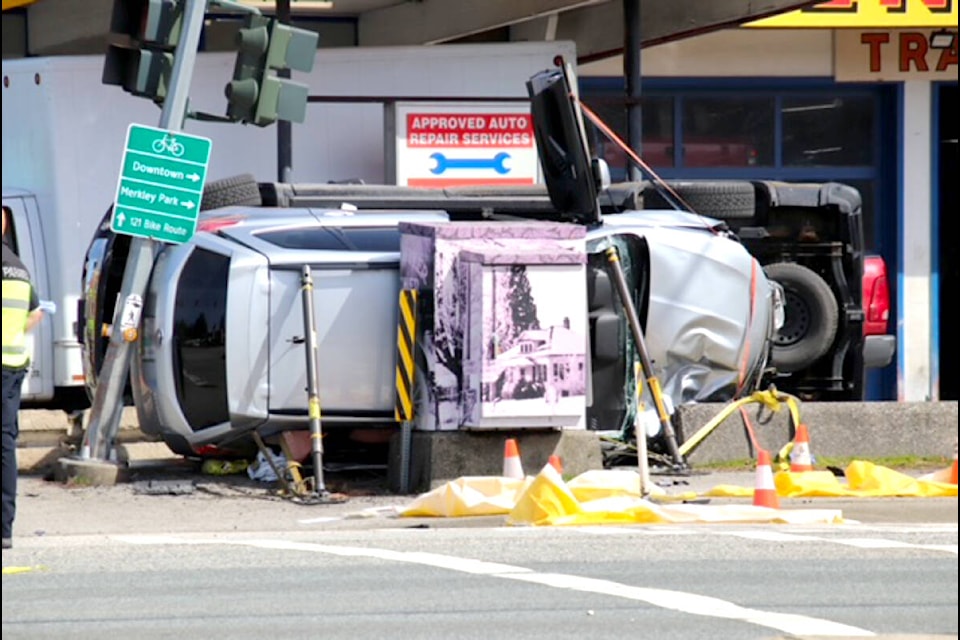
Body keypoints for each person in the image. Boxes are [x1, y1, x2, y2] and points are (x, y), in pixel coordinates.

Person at [2, 205, 43, 550]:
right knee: (5, 445)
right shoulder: (19, 267)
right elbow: (36, 313)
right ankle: (4, 529)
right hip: (14, 364)